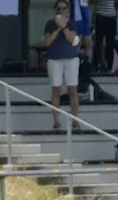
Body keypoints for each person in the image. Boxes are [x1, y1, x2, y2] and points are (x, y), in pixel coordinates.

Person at [44, 0, 82, 132]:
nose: (61, 11)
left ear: (68, 10)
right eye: (59, 8)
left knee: (73, 90)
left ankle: (75, 120)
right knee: (56, 90)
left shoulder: (72, 23)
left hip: (71, 59)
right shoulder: (50, 24)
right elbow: (47, 42)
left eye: (64, 8)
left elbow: (72, 40)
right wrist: (58, 28)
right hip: (55, 60)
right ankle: (56, 121)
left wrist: (64, 27)